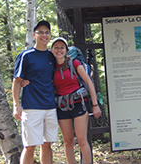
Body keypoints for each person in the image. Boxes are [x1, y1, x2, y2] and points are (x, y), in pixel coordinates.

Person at [12, 20, 58, 164]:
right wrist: (16, 105)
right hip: (31, 107)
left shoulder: (53, 56)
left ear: (49, 35)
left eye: (46, 32)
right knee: (30, 146)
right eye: (40, 32)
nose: (44, 35)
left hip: (50, 106)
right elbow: (17, 81)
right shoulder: (26, 55)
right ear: (34, 35)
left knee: (47, 144)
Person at [51, 37, 101, 164]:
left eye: (62, 47)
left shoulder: (74, 63)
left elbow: (89, 82)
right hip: (61, 106)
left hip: (79, 104)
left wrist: (95, 105)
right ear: (51, 50)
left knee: (82, 140)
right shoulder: (50, 68)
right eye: (56, 47)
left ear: (66, 50)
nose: (59, 50)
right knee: (68, 141)